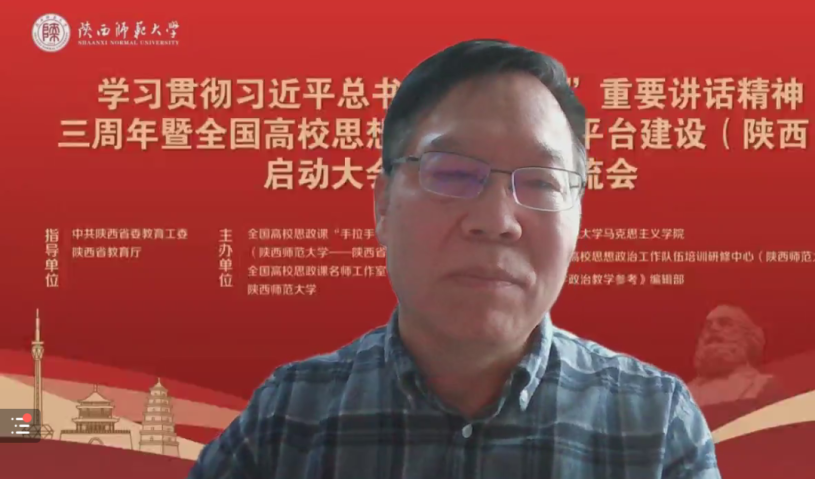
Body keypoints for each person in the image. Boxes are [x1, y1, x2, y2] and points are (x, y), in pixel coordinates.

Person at [188, 39, 721, 479]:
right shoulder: (287, 419)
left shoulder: (654, 426)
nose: (497, 220)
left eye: (541, 182)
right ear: (382, 206)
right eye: (453, 173)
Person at [689, 305, 784, 409]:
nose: (713, 328)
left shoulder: (762, 385)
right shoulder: (684, 393)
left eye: (725, 323)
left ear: (747, 336)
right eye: (708, 325)